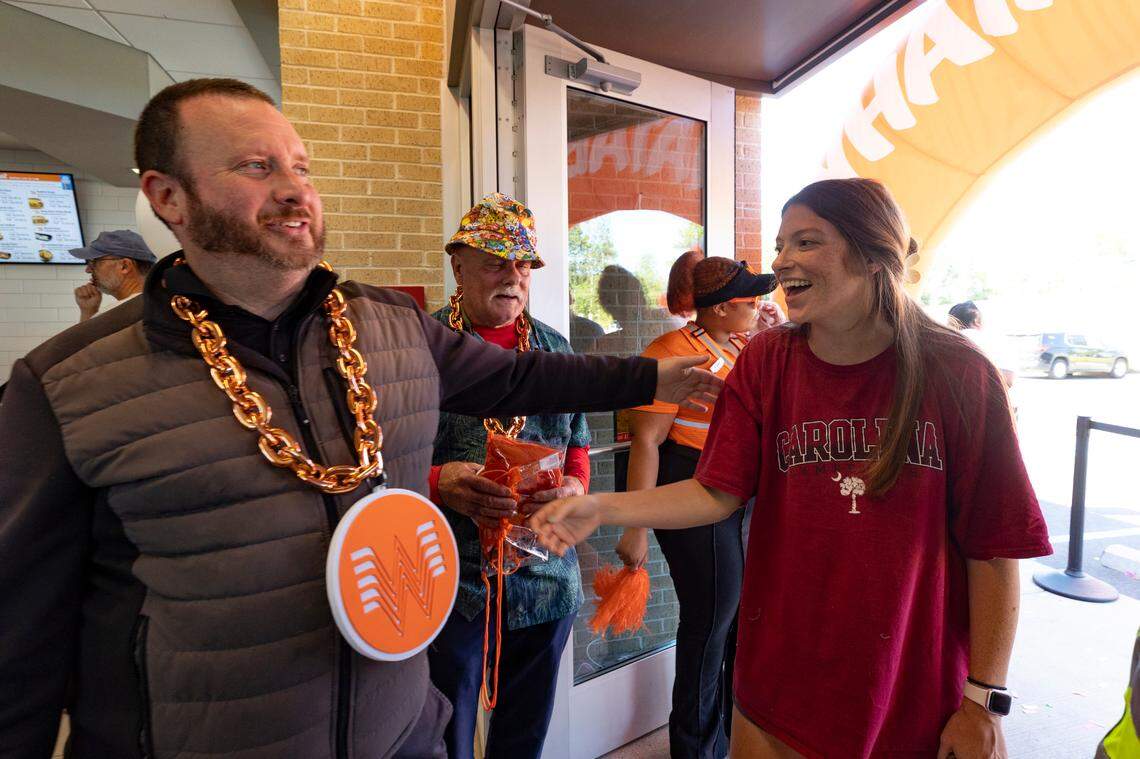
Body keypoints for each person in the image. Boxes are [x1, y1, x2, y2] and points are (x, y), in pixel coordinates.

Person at [0, 78, 723, 759]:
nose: (292, 189)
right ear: (168, 197)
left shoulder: (388, 329)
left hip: (400, 728)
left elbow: (524, 377)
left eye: (301, 167)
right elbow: (22, 640)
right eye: (256, 166)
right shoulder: (66, 385)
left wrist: (657, 373)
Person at [530, 178, 1052, 758]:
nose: (782, 261)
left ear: (872, 253)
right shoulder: (767, 360)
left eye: (806, 242)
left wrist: (983, 699)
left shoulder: (958, 372)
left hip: (908, 687)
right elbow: (714, 494)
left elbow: (996, 545)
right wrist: (600, 507)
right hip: (776, 681)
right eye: (781, 244)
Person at [425, 192, 593, 759]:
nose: (513, 276)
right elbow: (374, 454)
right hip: (451, 578)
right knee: (444, 724)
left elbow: (577, 442)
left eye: (523, 265)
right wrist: (436, 479)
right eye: (496, 262)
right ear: (459, 264)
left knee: (524, 729)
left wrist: (575, 487)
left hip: (544, 573)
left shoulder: (555, 349)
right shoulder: (419, 347)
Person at [614, 251, 778, 759]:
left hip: (739, 491)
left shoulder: (746, 345)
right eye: (751, 301)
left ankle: (727, 736)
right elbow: (646, 441)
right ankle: (695, 747)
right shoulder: (672, 349)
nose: (759, 308)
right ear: (721, 308)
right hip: (690, 481)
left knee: (736, 621)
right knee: (710, 619)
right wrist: (634, 525)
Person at [69, 229, 157, 321]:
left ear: (124, 266)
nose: (88, 270)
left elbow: (88, 335)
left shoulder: (115, 319)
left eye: (94, 262)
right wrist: (89, 311)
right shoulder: (160, 305)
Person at [949, 300, 1016, 388]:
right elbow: (1008, 380)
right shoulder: (996, 340)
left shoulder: (945, 342)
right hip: (989, 397)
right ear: (976, 321)